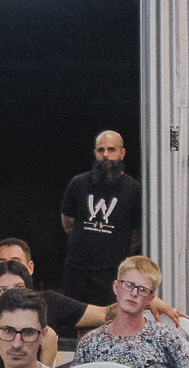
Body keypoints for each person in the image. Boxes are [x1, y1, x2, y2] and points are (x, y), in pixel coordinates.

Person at [0, 237, 176, 368]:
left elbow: (105, 313)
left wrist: (144, 297)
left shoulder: (50, 304)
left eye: (16, 263)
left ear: (29, 268)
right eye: (3, 263)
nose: (10, 269)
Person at [58, 130, 142, 304]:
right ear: (95, 153)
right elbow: (68, 223)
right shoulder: (78, 184)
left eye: (111, 150)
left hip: (112, 275)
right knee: (74, 318)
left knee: (110, 318)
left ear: (122, 153)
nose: (106, 155)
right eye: (101, 150)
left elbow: (137, 234)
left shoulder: (134, 190)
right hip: (77, 273)